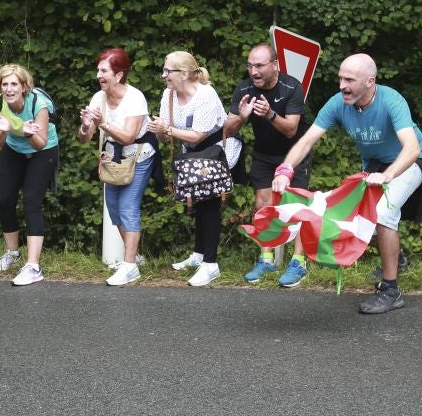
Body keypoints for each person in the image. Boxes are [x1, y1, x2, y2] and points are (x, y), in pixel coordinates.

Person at [272, 53, 422, 314]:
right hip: (375, 164)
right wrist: (285, 169)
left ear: (370, 81)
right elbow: (307, 140)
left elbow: (411, 148)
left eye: (349, 80)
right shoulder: (338, 104)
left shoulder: (391, 101)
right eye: (340, 78)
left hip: (411, 161)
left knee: (384, 215)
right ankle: (396, 257)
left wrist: (388, 175)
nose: (342, 85)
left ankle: (391, 290)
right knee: (362, 214)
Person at [148, 51, 241, 287]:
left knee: (209, 202)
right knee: (199, 202)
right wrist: (157, 128)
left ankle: (211, 265)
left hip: (215, 150)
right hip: (193, 154)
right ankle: (199, 255)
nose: (164, 75)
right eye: (164, 70)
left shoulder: (205, 95)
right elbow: (163, 135)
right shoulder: (168, 95)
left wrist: (167, 130)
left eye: (168, 71)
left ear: (185, 73)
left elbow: (199, 135)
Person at [224, 43, 313, 287]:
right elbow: (227, 130)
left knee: (296, 206)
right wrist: (241, 118)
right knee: (263, 206)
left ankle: (298, 262)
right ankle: (266, 259)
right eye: (250, 65)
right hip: (264, 155)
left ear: (275, 65)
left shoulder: (291, 86)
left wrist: (270, 115)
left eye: (260, 65)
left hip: (294, 153)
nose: (254, 71)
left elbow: (292, 129)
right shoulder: (244, 88)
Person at [78, 48, 160, 286]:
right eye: (98, 70)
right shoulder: (98, 98)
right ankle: (133, 257)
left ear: (119, 74)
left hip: (139, 155)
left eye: (104, 71)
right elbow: (85, 138)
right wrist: (85, 126)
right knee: (114, 208)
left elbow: (128, 136)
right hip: (114, 159)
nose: (98, 75)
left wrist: (103, 122)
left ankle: (130, 266)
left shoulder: (135, 98)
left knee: (128, 206)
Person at [0, 64, 59, 286]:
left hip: (42, 149)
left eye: (14, 84)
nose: (8, 89)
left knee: (31, 201)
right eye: (4, 84)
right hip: (13, 148)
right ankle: (12, 253)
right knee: (4, 199)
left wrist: (27, 133)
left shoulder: (39, 104)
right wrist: (5, 130)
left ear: (24, 86)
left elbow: (40, 143)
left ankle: (33, 267)